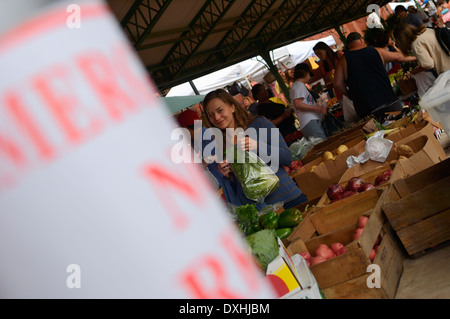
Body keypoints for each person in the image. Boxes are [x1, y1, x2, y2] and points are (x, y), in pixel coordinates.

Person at [202, 89, 308, 210]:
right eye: (211, 115)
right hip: (262, 213)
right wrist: (229, 175)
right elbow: (242, 183)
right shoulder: (222, 144)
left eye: (220, 110)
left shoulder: (259, 124)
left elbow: (287, 158)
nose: (216, 117)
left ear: (232, 107)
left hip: (289, 200)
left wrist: (257, 146)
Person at [334, 32, 417, 119]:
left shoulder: (343, 61)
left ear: (349, 44)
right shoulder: (375, 51)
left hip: (364, 106)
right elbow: (399, 57)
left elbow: (337, 84)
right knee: (401, 126)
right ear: (361, 40)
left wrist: (349, 95)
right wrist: (416, 57)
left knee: (378, 132)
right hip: (387, 99)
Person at [290, 63, 328, 140]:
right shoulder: (298, 86)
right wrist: (318, 109)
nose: (309, 77)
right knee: (323, 145)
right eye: (309, 74)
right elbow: (298, 104)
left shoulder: (298, 86)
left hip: (310, 122)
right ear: (306, 73)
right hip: (309, 121)